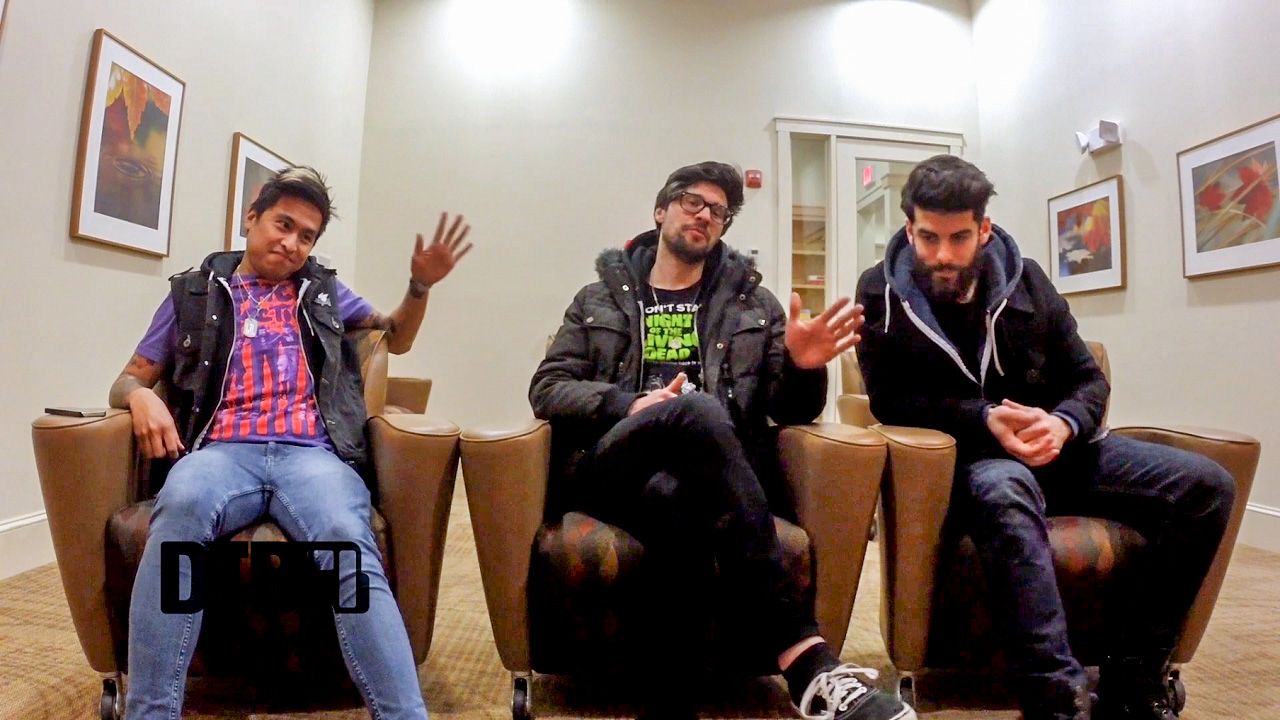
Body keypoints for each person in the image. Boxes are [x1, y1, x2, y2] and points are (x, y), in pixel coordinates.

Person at [854, 155, 1235, 720]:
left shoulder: (1027, 279)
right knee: (1005, 493)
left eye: (959, 238)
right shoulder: (879, 293)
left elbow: (1088, 379)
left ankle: (1133, 677)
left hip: (1065, 450)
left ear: (984, 229)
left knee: (1207, 486)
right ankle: (1055, 698)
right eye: (929, 237)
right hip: (979, 459)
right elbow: (890, 401)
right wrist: (983, 417)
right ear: (909, 229)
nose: (943, 255)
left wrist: (1063, 423)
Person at [530, 161, 915, 720]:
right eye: (693, 201)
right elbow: (548, 388)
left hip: (709, 477)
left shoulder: (754, 305)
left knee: (676, 500)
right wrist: (629, 405)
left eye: (718, 211)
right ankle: (805, 659)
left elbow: (792, 411)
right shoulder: (599, 300)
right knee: (697, 410)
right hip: (613, 462)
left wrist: (805, 366)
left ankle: (669, 705)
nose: (705, 215)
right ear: (661, 210)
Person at [109, 166, 473, 720]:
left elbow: (394, 335)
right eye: (283, 225)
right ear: (251, 217)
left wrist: (418, 287)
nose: (292, 243)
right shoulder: (193, 293)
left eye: (307, 235)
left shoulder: (322, 292)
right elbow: (127, 378)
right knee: (178, 518)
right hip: (221, 455)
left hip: (311, 458)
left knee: (348, 545)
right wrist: (140, 397)